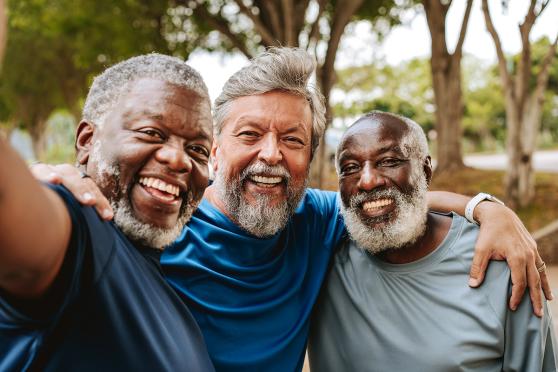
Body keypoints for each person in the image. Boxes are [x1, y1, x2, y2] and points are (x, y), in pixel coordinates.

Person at [32, 48, 551, 372]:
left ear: (311, 157)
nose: (271, 154)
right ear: (213, 149)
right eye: (250, 134)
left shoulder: (315, 219)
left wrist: (488, 208)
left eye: (293, 139)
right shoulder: (158, 222)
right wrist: (63, 177)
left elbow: (384, 198)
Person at [0, 54, 215, 371]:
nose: (179, 160)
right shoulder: (82, 234)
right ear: (87, 141)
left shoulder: (162, 275)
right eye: (151, 133)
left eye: (198, 149)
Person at [308, 111, 557, 371]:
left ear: (425, 171)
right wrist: (480, 206)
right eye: (350, 168)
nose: (367, 180)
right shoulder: (318, 251)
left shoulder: (503, 263)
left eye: (389, 161)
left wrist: (489, 209)